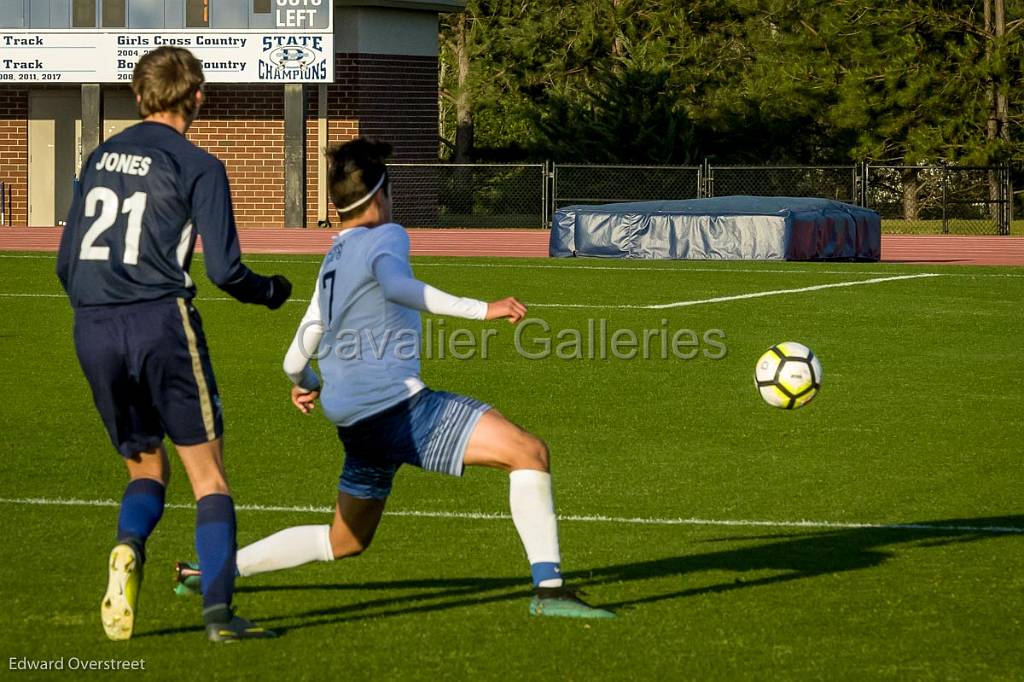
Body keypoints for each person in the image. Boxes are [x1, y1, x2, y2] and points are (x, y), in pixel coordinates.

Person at [176, 138, 614, 619]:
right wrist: (482, 309)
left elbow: (297, 351)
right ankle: (549, 592)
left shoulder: (333, 259)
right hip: (399, 411)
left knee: (344, 539)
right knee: (528, 453)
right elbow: (396, 286)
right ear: (382, 194)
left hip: (358, 425)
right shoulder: (387, 236)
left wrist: (310, 380)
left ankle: (210, 573)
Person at [56, 46, 290, 642]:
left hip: (93, 325)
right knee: (208, 476)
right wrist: (273, 292)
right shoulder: (199, 165)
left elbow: (66, 263)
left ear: (138, 97)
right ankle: (219, 615)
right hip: (161, 321)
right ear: (199, 98)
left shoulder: (98, 157)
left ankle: (129, 547)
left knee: (145, 466)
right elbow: (226, 273)